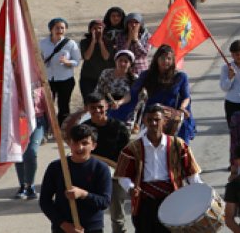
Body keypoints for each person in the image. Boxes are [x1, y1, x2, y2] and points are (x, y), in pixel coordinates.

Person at [115, 104, 202, 233]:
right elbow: (123, 176)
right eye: (149, 120)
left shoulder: (178, 145)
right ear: (144, 121)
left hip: (172, 199)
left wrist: (201, 195)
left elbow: (192, 174)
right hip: (144, 202)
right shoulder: (132, 148)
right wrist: (131, 188)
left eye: (157, 120)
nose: (153, 123)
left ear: (164, 121)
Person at [39, 124, 112, 233]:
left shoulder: (101, 168)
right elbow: (45, 201)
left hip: (92, 228)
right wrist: (63, 224)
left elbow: (104, 202)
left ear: (93, 145)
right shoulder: (56, 167)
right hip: (63, 228)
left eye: (85, 143)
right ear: (70, 144)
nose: (79, 148)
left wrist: (83, 194)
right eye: (75, 143)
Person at [81, 93, 131, 233]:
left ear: (107, 107)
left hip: (116, 177)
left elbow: (126, 155)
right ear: (87, 109)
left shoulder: (119, 127)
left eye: (100, 107)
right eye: (93, 108)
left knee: (117, 217)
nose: (97, 111)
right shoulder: (84, 129)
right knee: (92, 216)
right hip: (91, 176)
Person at [130, 45, 196, 142]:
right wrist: (120, 102)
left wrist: (182, 108)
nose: (166, 61)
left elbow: (186, 97)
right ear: (157, 59)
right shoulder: (147, 75)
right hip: (152, 118)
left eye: (169, 58)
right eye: (163, 58)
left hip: (172, 120)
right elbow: (133, 92)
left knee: (175, 152)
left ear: (173, 60)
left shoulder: (180, 77)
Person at [41, 17, 81, 126]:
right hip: (48, 79)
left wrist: (67, 62)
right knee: (47, 106)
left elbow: (77, 61)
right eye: (57, 28)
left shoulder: (71, 44)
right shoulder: (43, 43)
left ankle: (62, 129)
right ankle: (47, 128)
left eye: (62, 28)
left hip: (65, 79)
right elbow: (37, 58)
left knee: (63, 105)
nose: (60, 30)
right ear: (51, 29)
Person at [14, 83, 47, 200]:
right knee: (18, 154)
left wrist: (51, 128)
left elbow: (48, 107)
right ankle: (23, 185)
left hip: (37, 122)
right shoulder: (12, 85)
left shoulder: (40, 87)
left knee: (31, 153)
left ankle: (30, 185)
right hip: (18, 121)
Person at [95, 49, 137, 124]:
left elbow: (131, 95)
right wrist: (103, 104)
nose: (122, 63)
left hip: (125, 108)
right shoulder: (106, 73)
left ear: (130, 64)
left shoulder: (134, 78)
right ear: (115, 61)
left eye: (126, 61)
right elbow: (99, 90)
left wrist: (119, 103)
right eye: (120, 60)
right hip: (105, 106)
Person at [79, 19, 111, 99]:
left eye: (99, 28)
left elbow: (106, 57)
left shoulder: (108, 42)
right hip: (87, 77)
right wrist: (93, 41)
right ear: (90, 30)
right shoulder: (84, 42)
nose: (97, 30)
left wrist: (100, 42)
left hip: (104, 78)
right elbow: (87, 57)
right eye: (94, 28)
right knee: (88, 102)